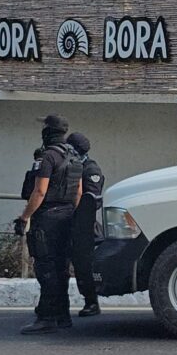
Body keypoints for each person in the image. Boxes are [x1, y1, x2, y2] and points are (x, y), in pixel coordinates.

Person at [14, 114, 82, 335]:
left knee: (46, 269)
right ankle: (63, 316)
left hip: (48, 219)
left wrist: (25, 217)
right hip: (68, 216)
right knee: (61, 268)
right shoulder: (74, 155)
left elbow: (40, 191)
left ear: (48, 132)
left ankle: (47, 317)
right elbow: (78, 192)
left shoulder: (48, 157)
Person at [67, 132, 105, 317]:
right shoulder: (70, 166)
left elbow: (93, 200)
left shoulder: (90, 169)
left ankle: (91, 302)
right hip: (66, 223)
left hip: (84, 226)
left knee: (84, 266)